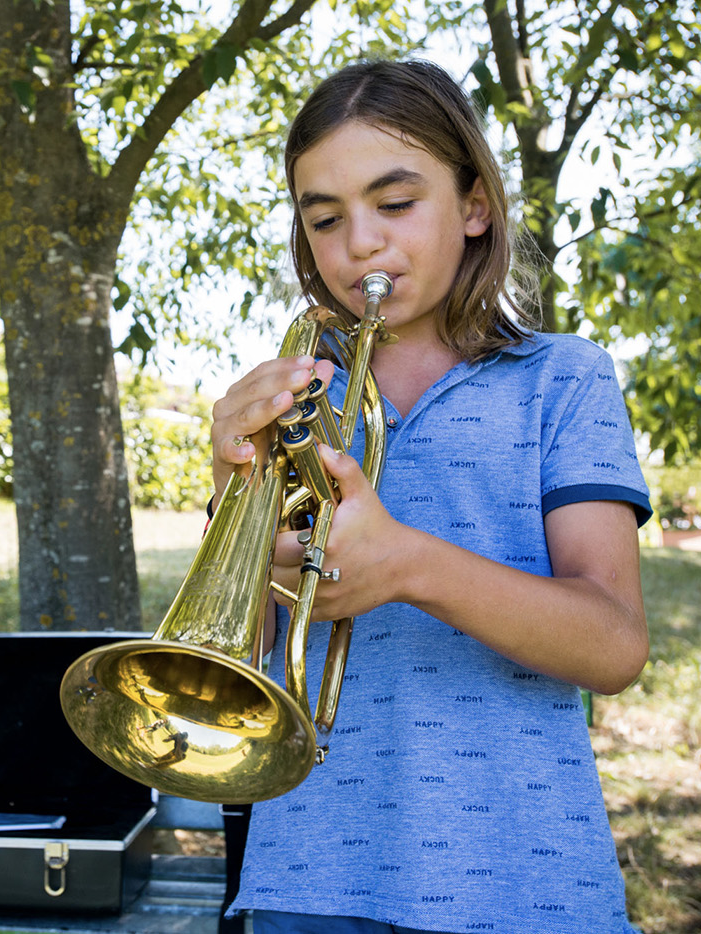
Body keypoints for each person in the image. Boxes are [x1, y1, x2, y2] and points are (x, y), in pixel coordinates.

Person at [212, 60, 651, 934]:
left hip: (521, 876)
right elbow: (240, 666)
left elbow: (614, 644)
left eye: (395, 203)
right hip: (306, 873)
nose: (358, 245)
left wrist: (408, 565)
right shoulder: (295, 399)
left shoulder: (564, 381)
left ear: (475, 207)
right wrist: (240, 516)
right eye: (324, 218)